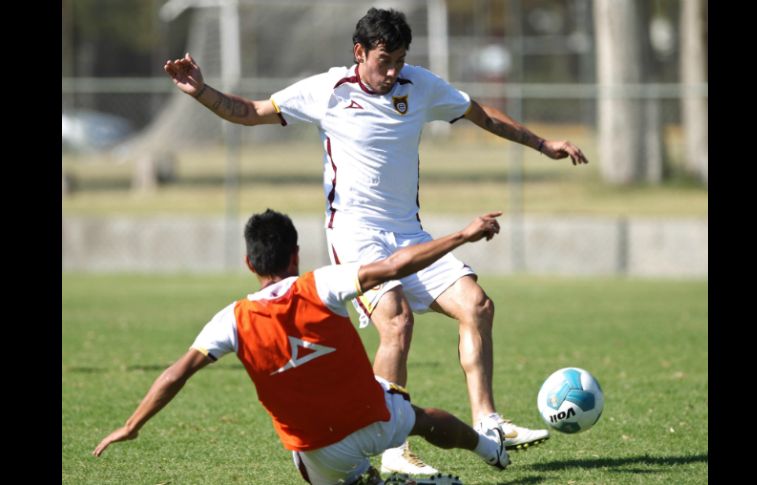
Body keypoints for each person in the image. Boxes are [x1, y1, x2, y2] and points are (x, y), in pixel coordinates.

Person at [163, 7, 589, 475]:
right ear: (359, 52)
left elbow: (480, 113)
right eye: (384, 60)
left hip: (408, 232)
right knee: (397, 321)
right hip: (355, 235)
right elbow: (251, 112)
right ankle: (393, 449)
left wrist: (543, 143)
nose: (392, 72)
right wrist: (201, 91)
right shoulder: (327, 90)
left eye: (400, 61)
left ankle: (488, 422)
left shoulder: (419, 85)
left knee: (477, 306)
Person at [93, 209, 510, 485]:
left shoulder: (231, 320)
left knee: (312, 466)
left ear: (249, 264)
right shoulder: (322, 283)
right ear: (295, 255)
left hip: (319, 453)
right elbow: (396, 265)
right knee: (416, 416)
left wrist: (132, 426)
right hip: (377, 420)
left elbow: (174, 374)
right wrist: (462, 234)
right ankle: (490, 449)